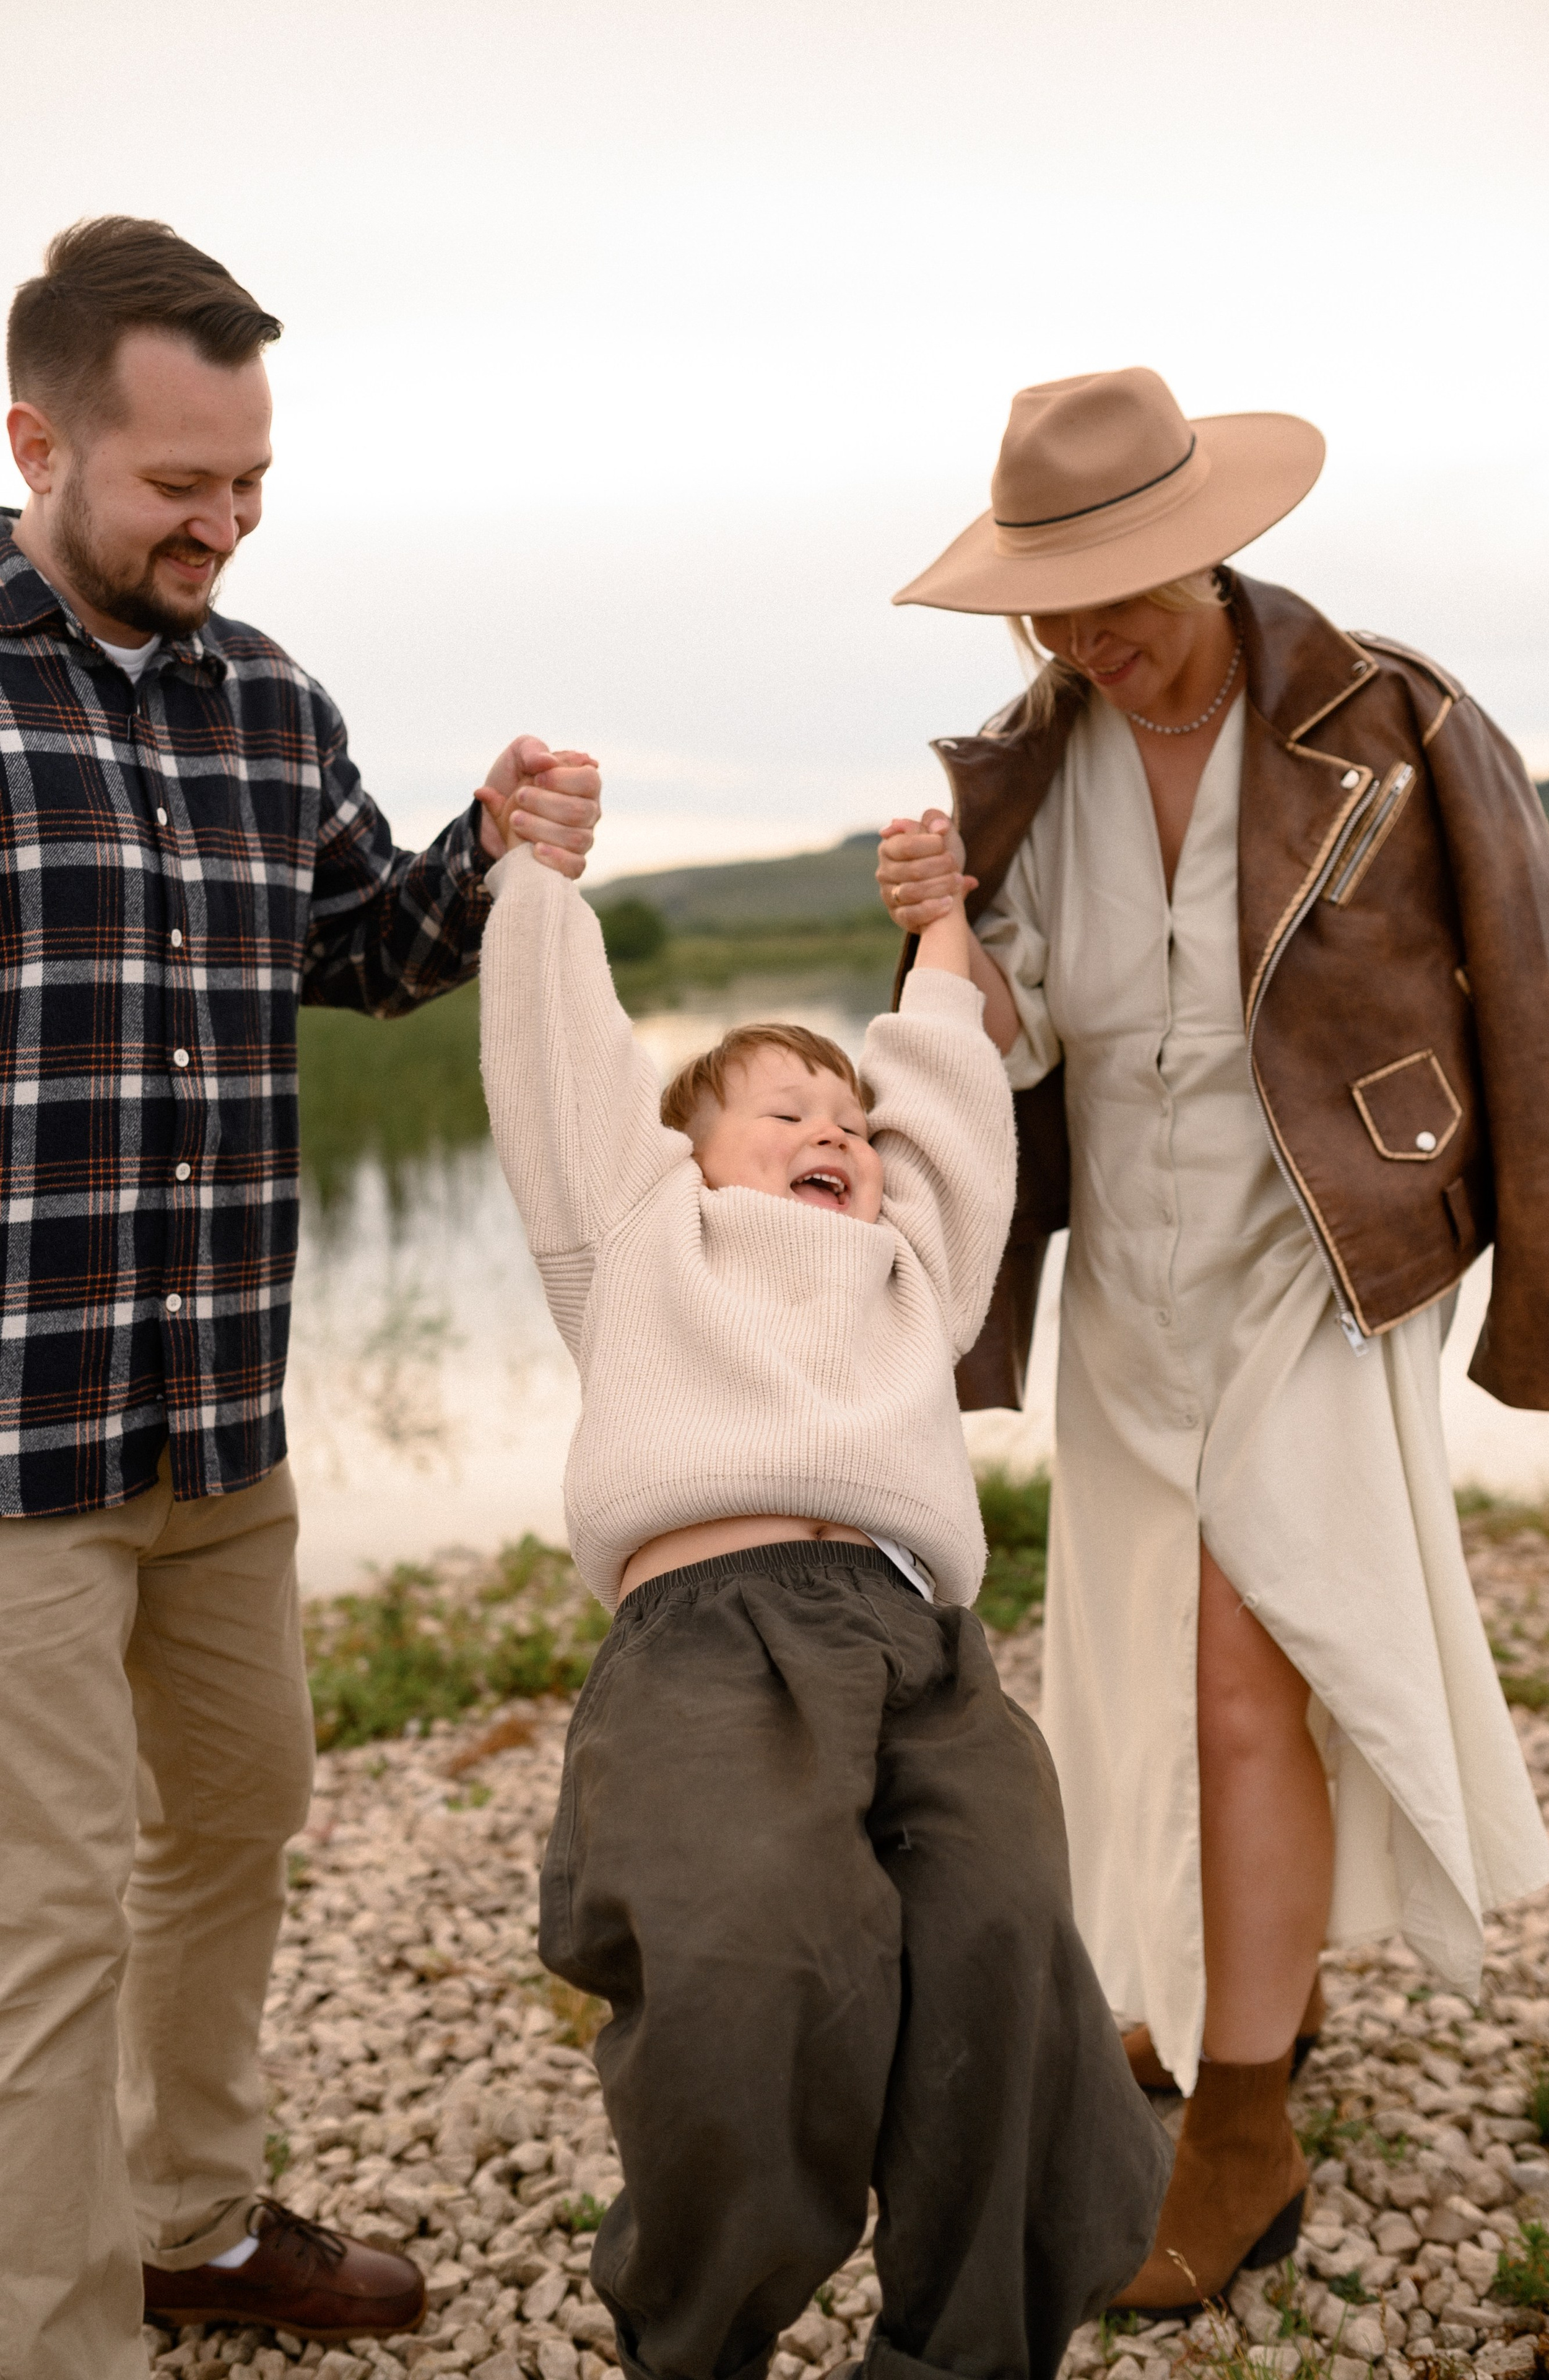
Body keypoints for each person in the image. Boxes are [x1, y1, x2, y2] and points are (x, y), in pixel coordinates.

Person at [876, 366, 1549, 2312]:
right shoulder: (1023, 763)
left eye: (1122, 586)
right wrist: (943, 934)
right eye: (1053, 599)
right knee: (1126, 1673)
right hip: (1136, 1288)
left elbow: (1531, 976)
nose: (1089, 634)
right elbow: (1009, 1049)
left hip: (1324, 1262)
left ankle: (1243, 2121)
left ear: (1212, 544)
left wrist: (1547, 1284)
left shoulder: (1394, 718)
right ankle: (1207, 1983)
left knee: (1248, 1669)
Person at [0, 216, 602, 2379]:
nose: (225, 525)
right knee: (45, 1923)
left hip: (221, 1435)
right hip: (18, 1459)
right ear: (37, 434)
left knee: (240, 1821)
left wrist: (495, 837)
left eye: (252, 484)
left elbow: (365, 946)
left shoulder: (268, 699)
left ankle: (190, 2222)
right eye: (182, 485)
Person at [475, 793, 1172, 2380]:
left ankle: (962, 2356)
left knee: (1006, 1956)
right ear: (690, 1155)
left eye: (845, 1116)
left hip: (916, 1644)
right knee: (751, 1969)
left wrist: (940, 926)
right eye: (782, 1109)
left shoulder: (910, 1269)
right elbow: (560, 1069)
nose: (832, 1131)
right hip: (706, 1646)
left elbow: (951, 1097)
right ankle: (699, 2340)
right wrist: (537, 880)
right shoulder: (638, 1242)